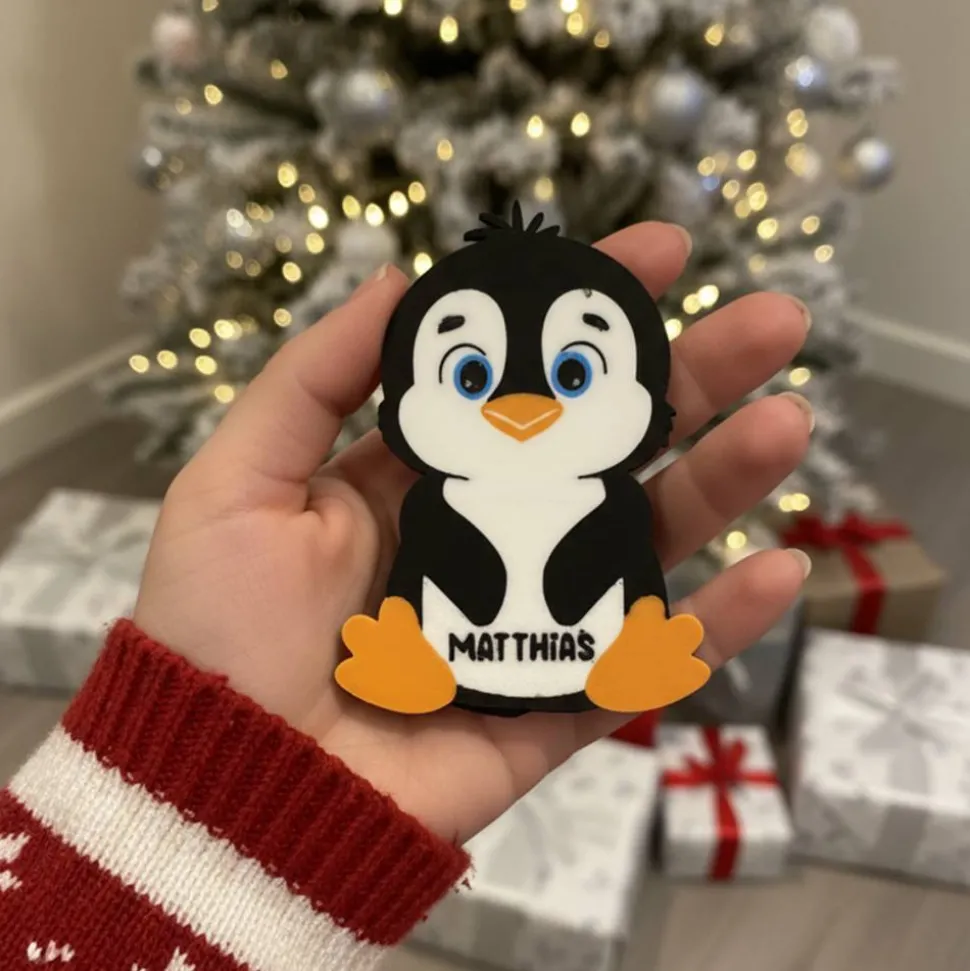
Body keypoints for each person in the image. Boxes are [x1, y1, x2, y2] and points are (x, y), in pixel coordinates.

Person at [0, 223, 813, 970]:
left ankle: (606, 658)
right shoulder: (436, 504)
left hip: (579, 650)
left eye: (572, 374)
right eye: (472, 375)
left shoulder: (613, 505)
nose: (521, 406)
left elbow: (620, 572)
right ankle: (429, 664)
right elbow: (434, 576)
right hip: (454, 650)